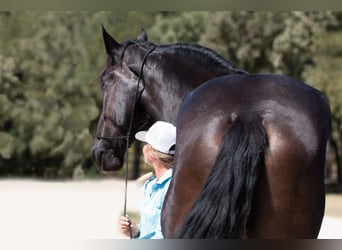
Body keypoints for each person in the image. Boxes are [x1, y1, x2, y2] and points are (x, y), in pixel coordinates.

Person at [120, 121, 176, 239]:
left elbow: (163, 236)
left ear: (152, 151)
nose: (143, 146)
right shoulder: (151, 184)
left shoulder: (171, 186)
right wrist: (136, 231)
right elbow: (152, 227)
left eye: (146, 143)